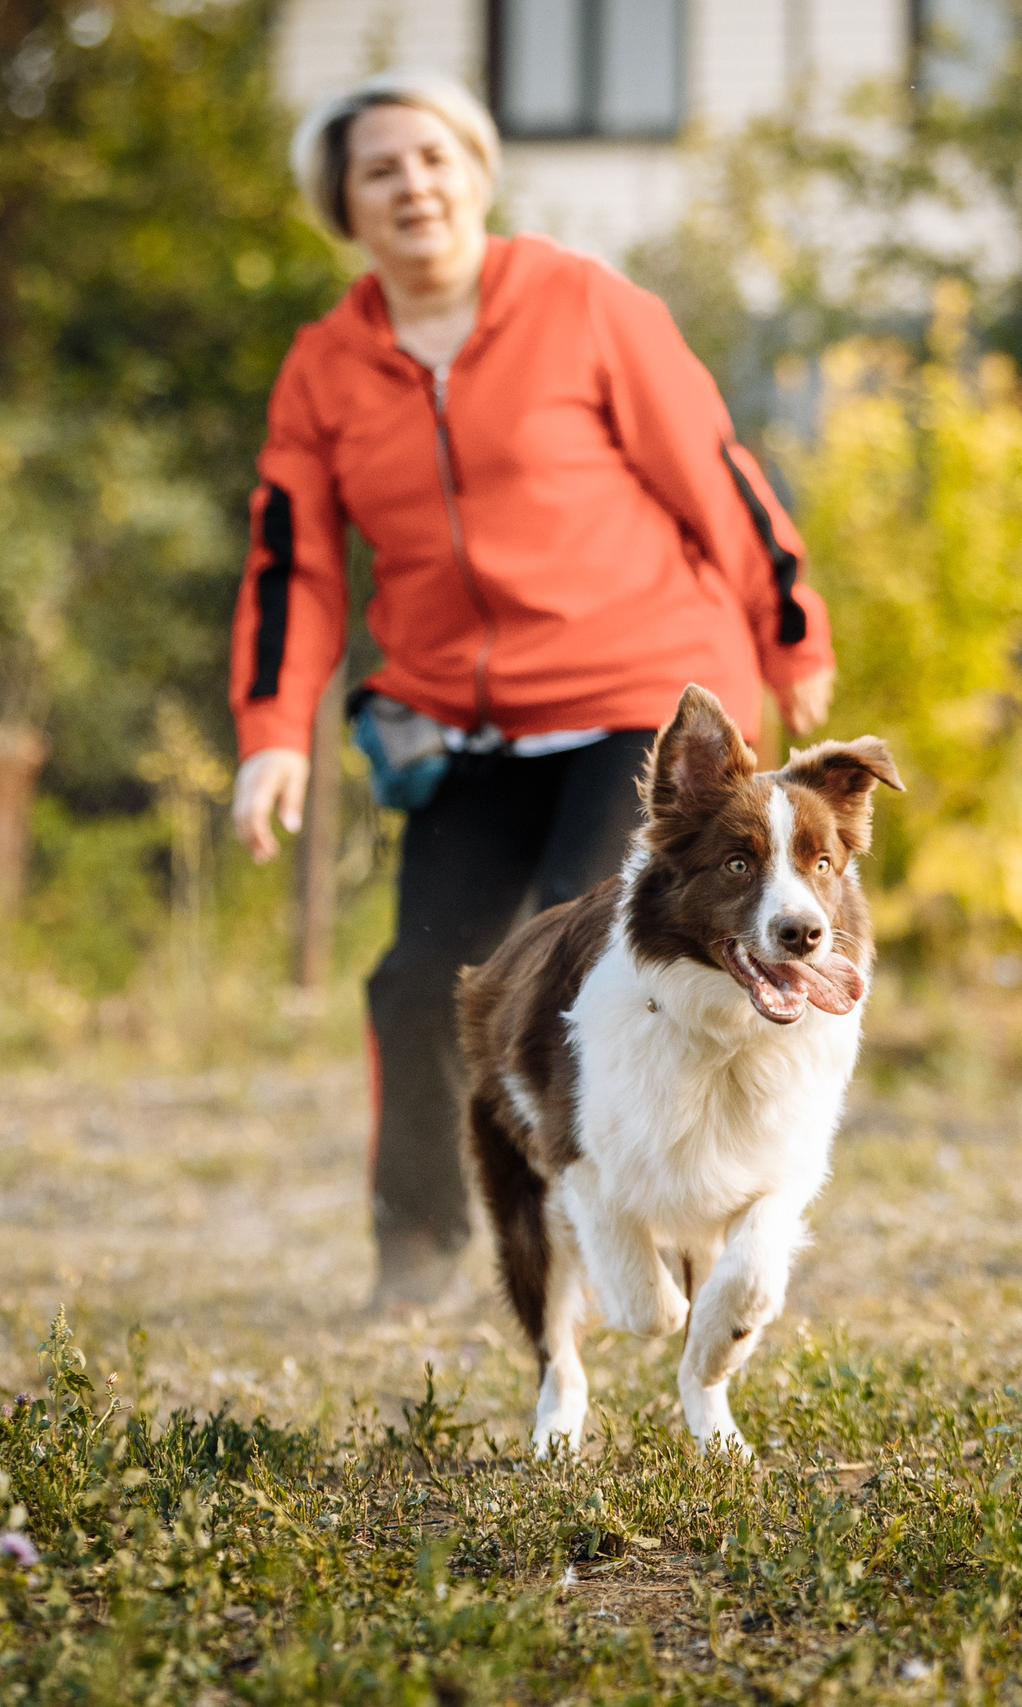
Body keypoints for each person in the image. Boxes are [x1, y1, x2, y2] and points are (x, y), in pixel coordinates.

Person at [225, 71, 838, 1310]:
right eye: (381, 168)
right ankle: (418, 1245)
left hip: (637, 696)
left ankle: (682, 1224)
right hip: (463, 725)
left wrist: (788, 630)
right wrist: (272, 731)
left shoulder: (581, 303)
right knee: (417, 981)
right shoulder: (327, 368)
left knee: (592, 949)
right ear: (342, 203)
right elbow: (292, 560)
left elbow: (712, 474)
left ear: (478, 170)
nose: (414, 185)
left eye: (435, 158)